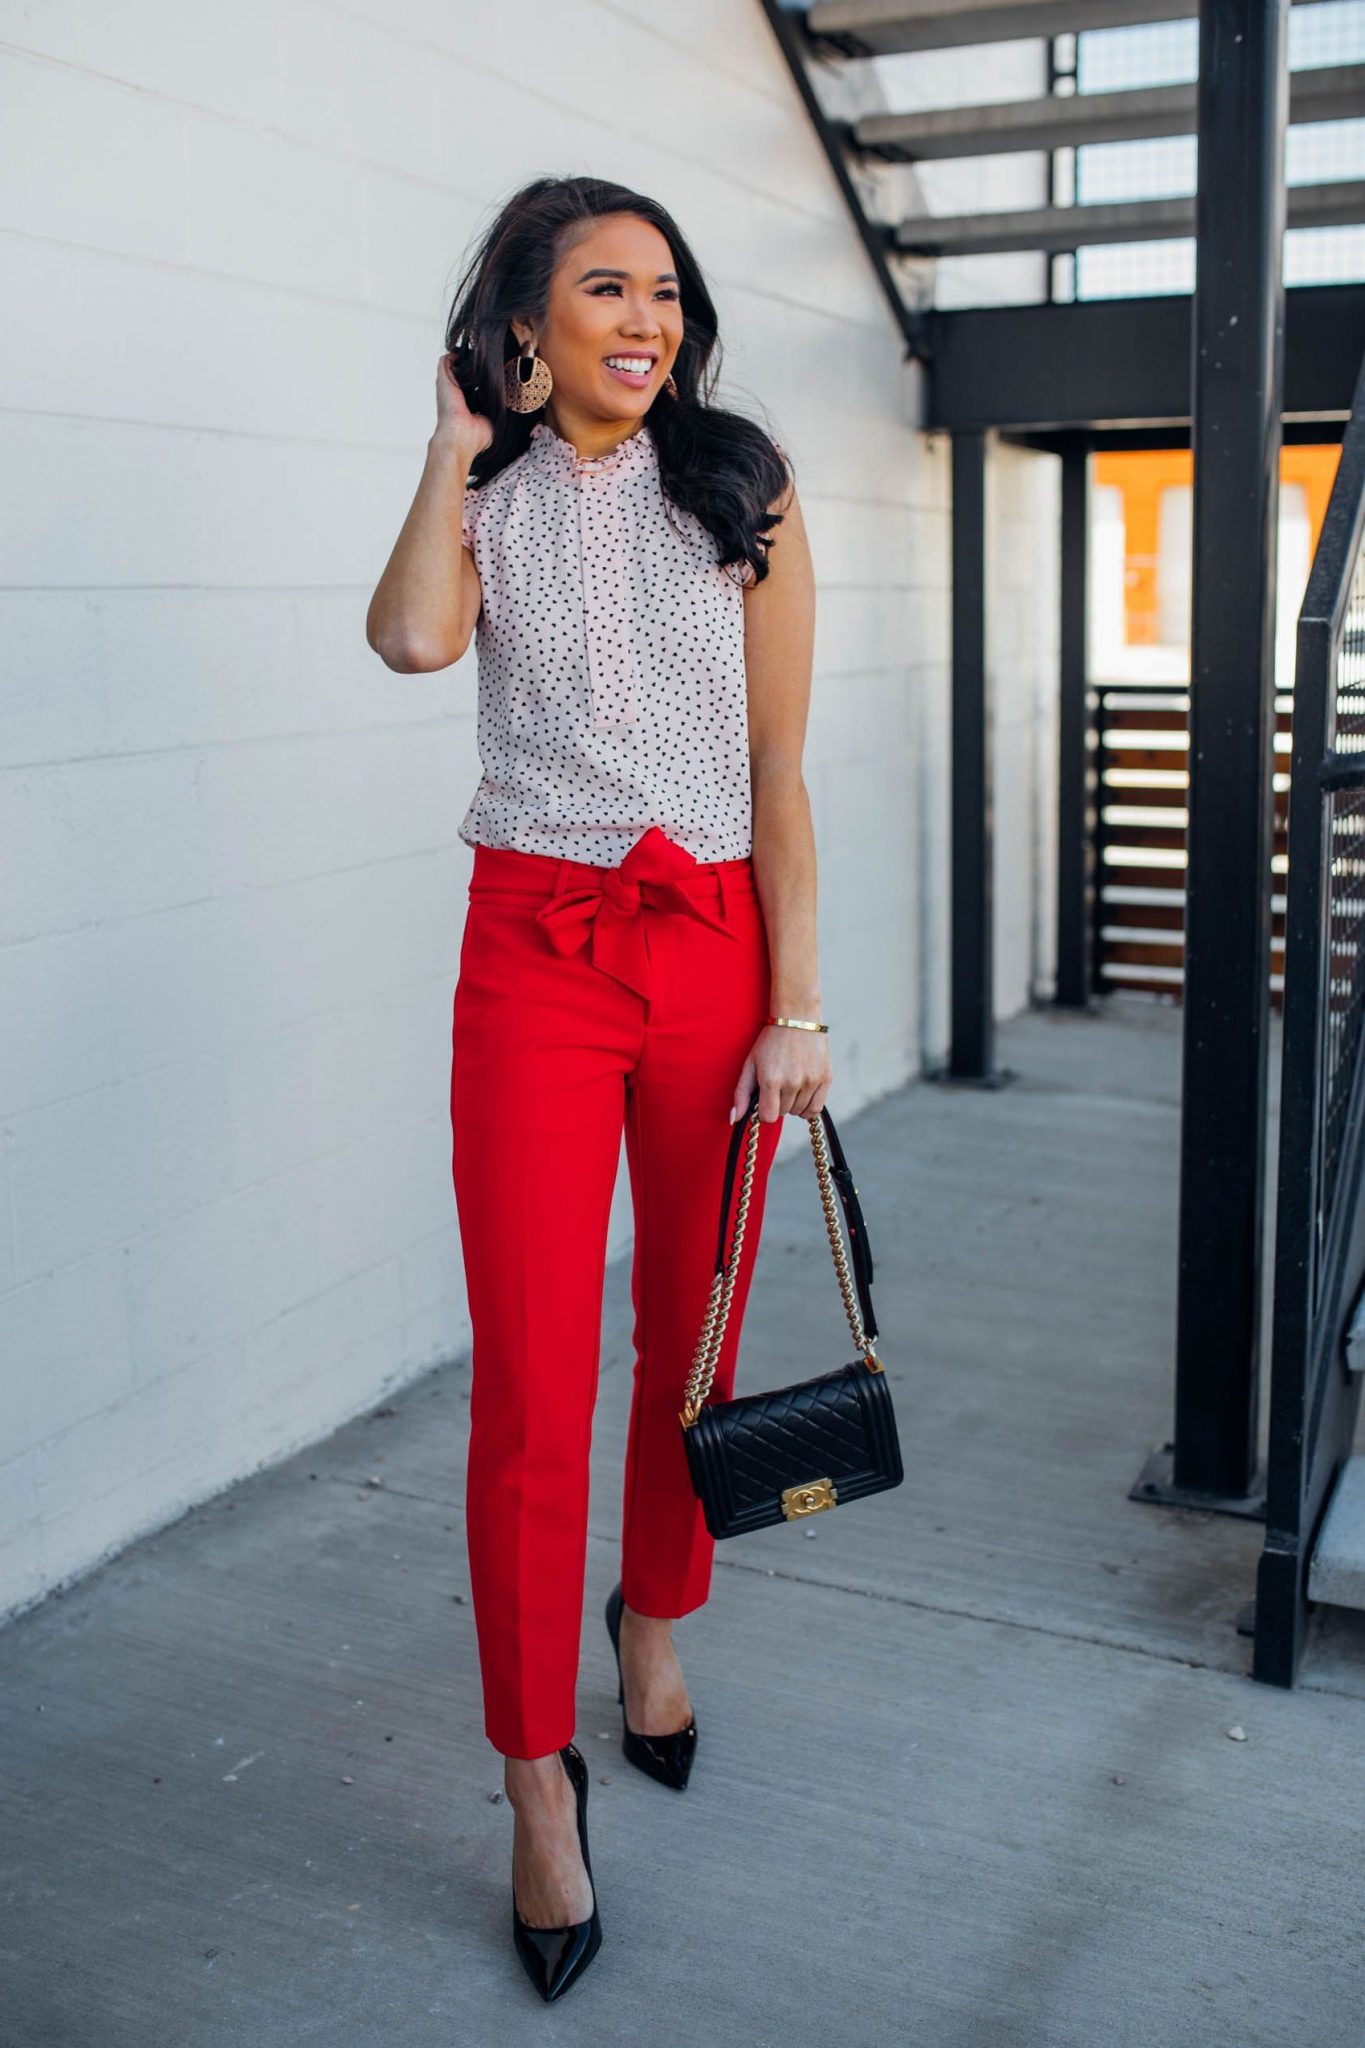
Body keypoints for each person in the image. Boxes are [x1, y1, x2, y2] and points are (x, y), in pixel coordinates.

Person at [366, 174, 828, 2001]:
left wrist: (796, 1000)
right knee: (531, 1383)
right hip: (533, 955)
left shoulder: (741, 484)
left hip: (714, 948)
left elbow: (780, 767)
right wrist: (445, 448)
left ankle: (655, 1615)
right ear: (525, 321)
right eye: (602, 290)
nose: (642, 321)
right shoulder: (479, 496)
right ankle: (531, 1777)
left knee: (690, 1347)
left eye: (663, 293)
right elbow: (410, 642)